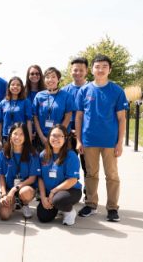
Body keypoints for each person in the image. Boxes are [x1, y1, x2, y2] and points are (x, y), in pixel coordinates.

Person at [76, 54, 128, 222]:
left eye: (104, 66)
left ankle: (112, 208)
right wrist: (78, 140)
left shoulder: (117, 91)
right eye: (97, 66)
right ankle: (91, 204)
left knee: (112, 175)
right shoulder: (84, 90)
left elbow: (122, 119)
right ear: (92, 69)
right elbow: (78, 117)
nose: (100, 70)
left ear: (109, 70)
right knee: (91, 174)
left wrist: (119, 143)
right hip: (89, 140)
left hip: (110, 142)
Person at [37, 125, 82, 225]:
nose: (56, 139)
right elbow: (40, 178)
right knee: (43, 216)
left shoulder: (71, 156)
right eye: (53, 135)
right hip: (51, 194)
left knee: (58, 200)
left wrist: (54, 191)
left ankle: (69, 211)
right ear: (49, 138)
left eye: (60, 136)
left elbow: (73, 180)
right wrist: (43, 197)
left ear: (65, 138)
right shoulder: (43, 155)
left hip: (70, 190)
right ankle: (59, 207)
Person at [0, 123, 40, 220]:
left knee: (25, 192)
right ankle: (13, 202)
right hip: (9, 189)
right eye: (15, 134)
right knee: (4, 215)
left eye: (21, 134)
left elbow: (32, 178)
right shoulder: (4, 153)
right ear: (10, 136)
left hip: (25, 188)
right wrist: (4, 194)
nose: (18, 137)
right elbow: (2, 176)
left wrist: (14, 189)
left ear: (26, 137)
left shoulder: (32, 154)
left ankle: (25, 204)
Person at [61, 57, 89, 192]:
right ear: (70, 71)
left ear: (86, 71)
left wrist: (80, 132)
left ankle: (89, 195)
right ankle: (71, 191)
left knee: (87, 166)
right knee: (68, 165)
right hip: (67, 135)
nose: (78, 73)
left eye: (81, 70)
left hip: (86, 135)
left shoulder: (91, 89)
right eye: (75, 70)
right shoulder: (64, 90)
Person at [32, 67, 74, 150]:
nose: (50, 79)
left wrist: (58, 135)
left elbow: (68, 116)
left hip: (60, 138)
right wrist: (41, 137)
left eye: (53, 77)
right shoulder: (39, 96)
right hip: (42, 138)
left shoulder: (67, 96)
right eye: (47, 77)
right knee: (44, 162)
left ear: (58, 79)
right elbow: (35, 117)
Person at [0, 76, 33, 150]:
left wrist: (29, 140)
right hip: (6, 137)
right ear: (9, 87)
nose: (15, 86)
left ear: (21, 87)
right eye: (12, 84)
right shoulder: (3, 103)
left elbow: (29, 122)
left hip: (21, 137)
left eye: (18, 85)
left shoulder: (26, 102)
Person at [25, 65, 45, 152]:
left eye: (37, 74)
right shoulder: (22, 92)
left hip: (42, 131)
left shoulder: (46, 92)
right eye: (32, 74)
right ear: (28, 76)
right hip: (26, 131)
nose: (34, 76)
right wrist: (28, 133)